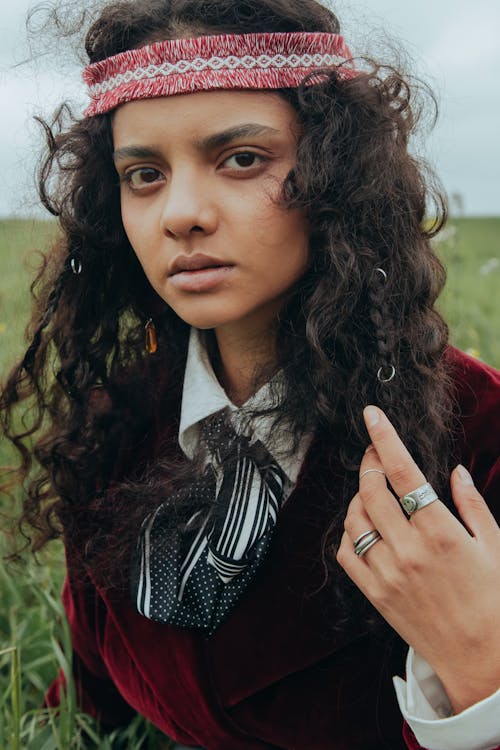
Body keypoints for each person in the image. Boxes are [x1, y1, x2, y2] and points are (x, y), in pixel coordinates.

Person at [1, 0, 499, 748]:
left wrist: (481, 669)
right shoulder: (113, 419)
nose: (182, 213)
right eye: (144, 173)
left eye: (242, 159)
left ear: (338, 173)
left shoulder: (480, 428)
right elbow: (85, 703)